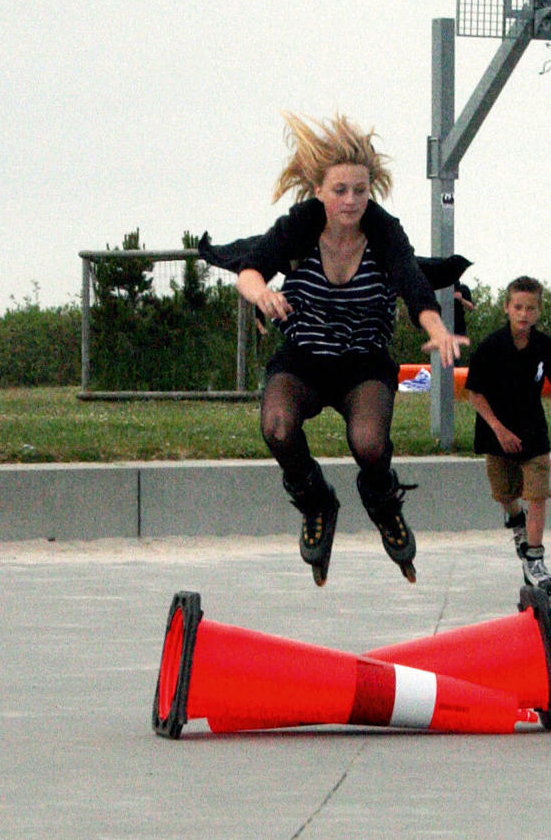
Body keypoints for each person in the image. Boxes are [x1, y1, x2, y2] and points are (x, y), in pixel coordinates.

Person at [198, 112, 468, 587]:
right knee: (277, 426)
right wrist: (261, 294)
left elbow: (413, 284)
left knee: (369, 444)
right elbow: (250, 268)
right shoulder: (301, 225)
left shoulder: (383, 231)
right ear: (319, 190)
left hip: (363, 362)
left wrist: (437, 328)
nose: (351, 201)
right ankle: (317, 501)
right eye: (340, 190)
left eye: (360, 191)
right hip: (303, 357)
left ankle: (382, 502)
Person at [464, 276, 551, 600]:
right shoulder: (491, 348)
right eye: (518, 307)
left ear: (538, 311)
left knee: (537, 494)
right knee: (505, 494)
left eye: (530, 308)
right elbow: (474, 394)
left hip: (533, 433)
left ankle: (535, 561)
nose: (523, 314)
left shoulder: (545, 348)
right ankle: (517, 522)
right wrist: (498, 429)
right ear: (506, 308)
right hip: (496, 433)